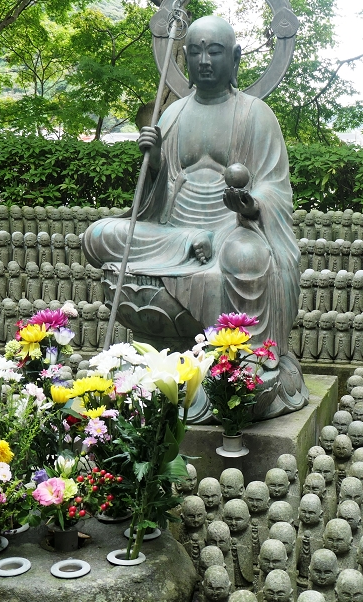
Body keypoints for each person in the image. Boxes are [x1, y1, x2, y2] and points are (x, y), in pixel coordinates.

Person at [83, 14, 305, 422]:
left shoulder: (256, 114)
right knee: (99, 235)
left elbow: (275, 189)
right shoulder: (172, 115)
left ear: (235, 58)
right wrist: (151, 167)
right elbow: (153, 203)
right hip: (176, 233)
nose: (205, 60)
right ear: (184, 57)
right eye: (196, 51)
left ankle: (243, 364)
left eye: (215, 51)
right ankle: (189, 248)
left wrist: (248, 203)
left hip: (232, 231)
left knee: (249, 258)